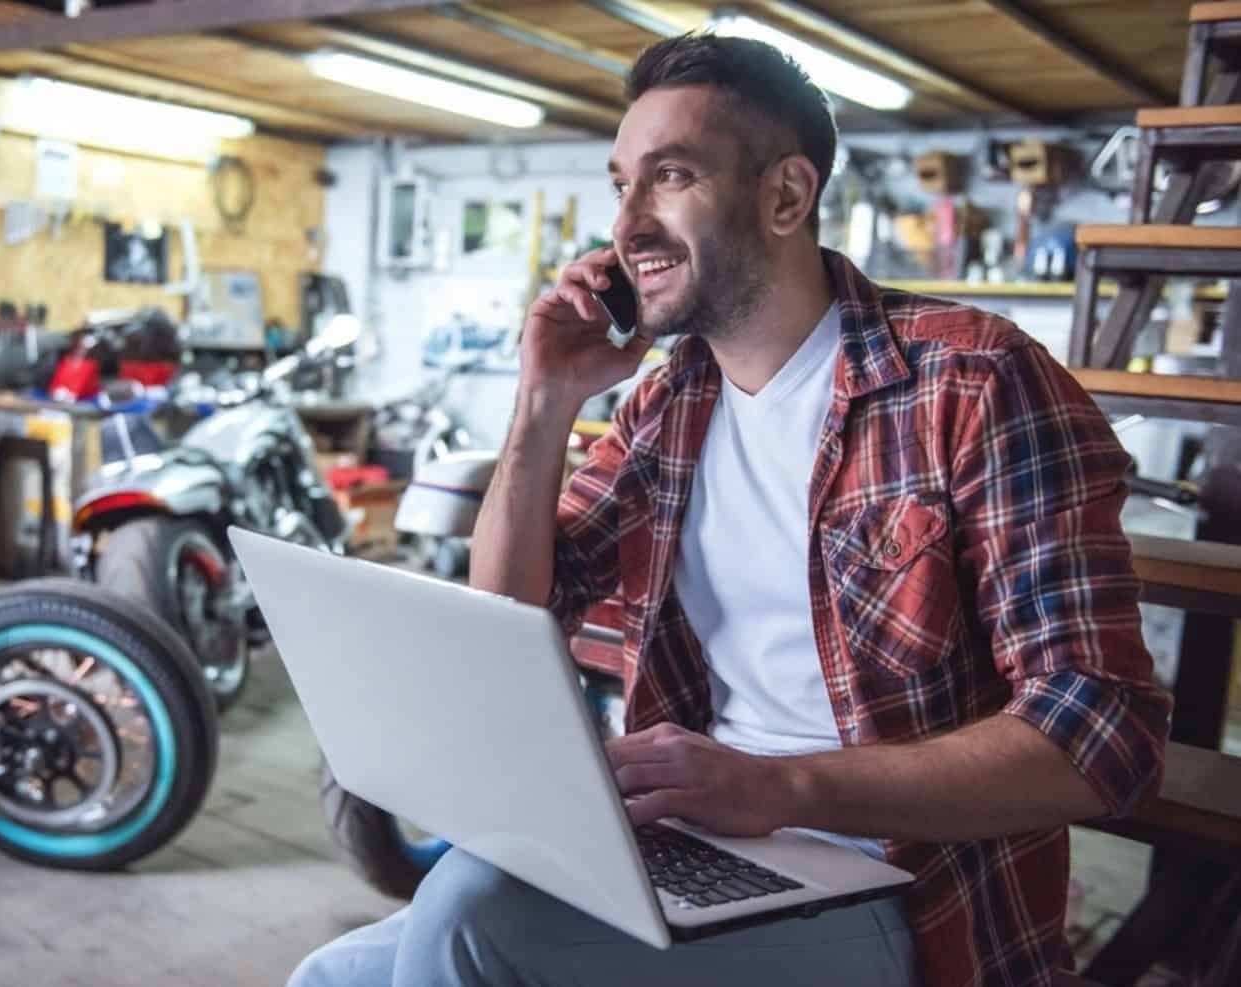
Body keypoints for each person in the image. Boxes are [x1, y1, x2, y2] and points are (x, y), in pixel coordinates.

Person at [288, 33, 1170, 987]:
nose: (626, 224)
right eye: (621, 183)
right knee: (335, 976)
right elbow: (511, 621)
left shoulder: (974, 380)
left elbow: (1102, 734)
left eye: (670, 177)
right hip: (700, 853)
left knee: (472, 919)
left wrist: (775, 785)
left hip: (899, 890)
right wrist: (544, 402)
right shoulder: (671, 404)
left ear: (786, 196)